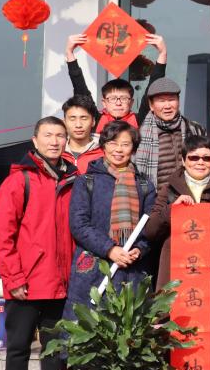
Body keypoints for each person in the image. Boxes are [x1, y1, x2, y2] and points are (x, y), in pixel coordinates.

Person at [0, 117, 78, 370]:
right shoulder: (19, 181)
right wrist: (14, 279)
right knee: (18, 348)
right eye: (48, 135)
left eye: (60, 136)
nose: (54, 141)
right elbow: (2, 235)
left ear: (66, 141)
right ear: (35, 140)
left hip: (60, 282)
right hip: (25, 283)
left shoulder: (73, 180)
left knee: (55, 349)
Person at [144, 135, 210, 370]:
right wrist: (171, 211)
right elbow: (151, 230)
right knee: (174, 321)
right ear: (183, 160)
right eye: (194, 158)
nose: (200, 162)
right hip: (175, 269)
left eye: (206, 158)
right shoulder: (169, 188)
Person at [65, 121, 157, 321]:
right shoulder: (86, 181)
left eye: (125, 144)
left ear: (133, 148)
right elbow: (79, 224)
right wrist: (109, 249)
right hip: (94, 269)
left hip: (133, 270)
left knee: (131, 329)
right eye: (113, 143)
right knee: (89, 326)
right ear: (104, 146)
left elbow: (151, 227)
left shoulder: (144, 186)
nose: (119, 150)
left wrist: (140, 249)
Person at [64, 32, 167, 130]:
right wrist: (69, 53)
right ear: (104, 103)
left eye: (123, 98)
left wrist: (162, 54)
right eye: (112, 98)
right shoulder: (96, 120)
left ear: (131, 102)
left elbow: (153, 89)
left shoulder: (138, 120)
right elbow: (81, 90)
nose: (118, 103)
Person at [134, 77, 205, 190]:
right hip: (156, 198)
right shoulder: (139, 136)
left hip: (192, 194)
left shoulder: (195, 129)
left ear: (178, 101)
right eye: (161, 101)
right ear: (151, 105)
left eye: (171, 100)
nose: (167, 106)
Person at [61, 94, 103, 174]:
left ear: (93, 121)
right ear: (64, 122)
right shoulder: (56, 151)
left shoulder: (106, 151)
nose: (78, 125)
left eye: (84, 118)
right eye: (72, 119)